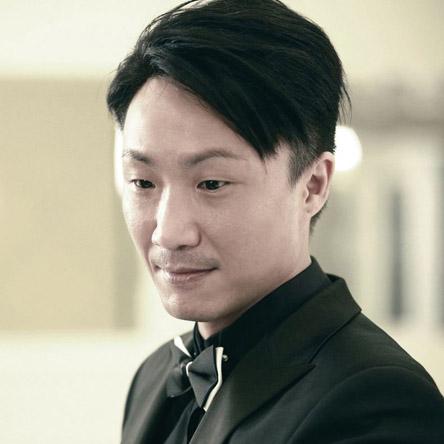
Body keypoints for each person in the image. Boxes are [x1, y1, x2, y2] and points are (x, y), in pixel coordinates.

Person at [106, 1, 444, 443]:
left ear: (313, 186)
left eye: (211, 183)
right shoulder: (153, 377)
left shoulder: (377, 400)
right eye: (143, 182)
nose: (168, 233)